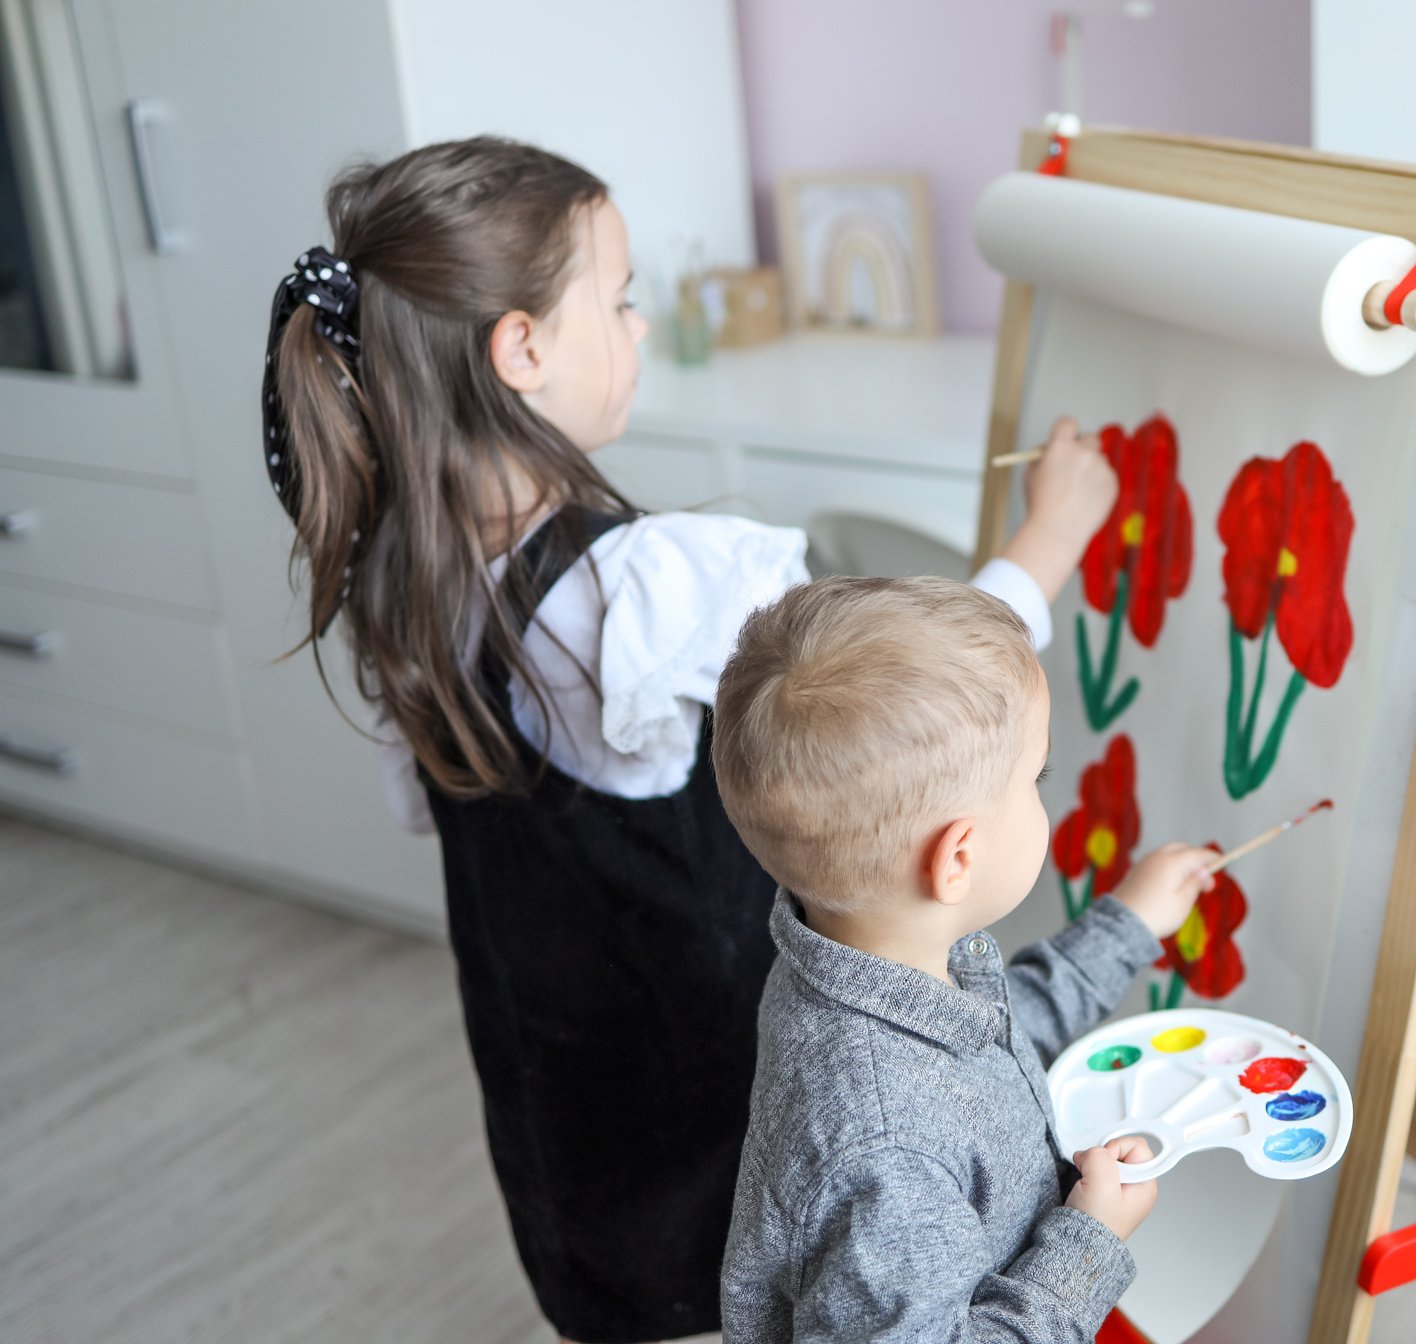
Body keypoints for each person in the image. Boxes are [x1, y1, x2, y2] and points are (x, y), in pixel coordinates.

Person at [261, 136, 1117, 1343]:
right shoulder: (632, 591)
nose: (638, 326)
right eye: (614, 300)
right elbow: (896, 705)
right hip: (718, 1104)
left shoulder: (401, 571)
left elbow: (435, 809)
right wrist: (1054, 538)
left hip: (566, 1117)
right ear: (521, 351)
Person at [712, 576, 1216, 1341]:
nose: (1045, 795)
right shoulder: (887, 1146)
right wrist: (1089, 1242)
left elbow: (988, 1052)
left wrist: (1126, 925)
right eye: (1036, 779)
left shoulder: (851, 954)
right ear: (959, 857)